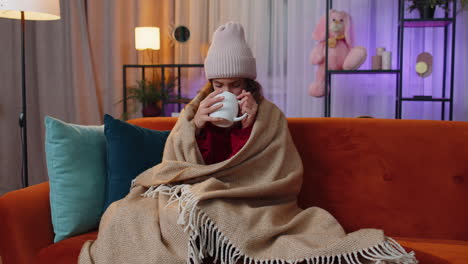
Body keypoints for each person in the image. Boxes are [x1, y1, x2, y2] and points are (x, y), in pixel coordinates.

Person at [192, 21, 263, 164]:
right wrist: (196, 127)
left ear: (247, 84)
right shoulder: (199, 109)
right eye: (218, 85)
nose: (226, 91)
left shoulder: (266, 114)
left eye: (235, 85)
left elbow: (254, 169)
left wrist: (247, 129)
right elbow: (199, 165)